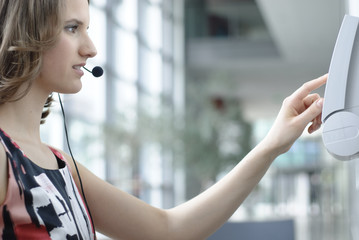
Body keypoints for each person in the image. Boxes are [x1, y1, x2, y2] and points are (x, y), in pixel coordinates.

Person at [0, 0, 327, 239]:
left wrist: (271, 146)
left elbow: (168, 231)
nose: (91, 48)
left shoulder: (62, 166)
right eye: (72, 28)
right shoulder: (4, 158)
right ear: (27, 32)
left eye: (87, 29)